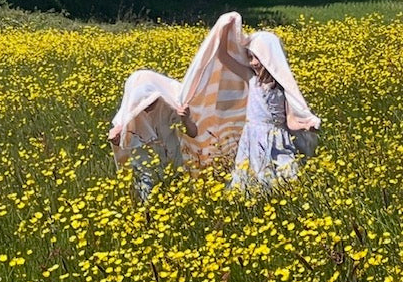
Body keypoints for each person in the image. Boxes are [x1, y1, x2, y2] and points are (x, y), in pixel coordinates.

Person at [217, 20, 320, 190]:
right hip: (253, 138)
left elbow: (290, 121)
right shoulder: (251, 78)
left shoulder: (283, 87)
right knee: (252, 178)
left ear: (269, 57)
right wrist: (223, 30)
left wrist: (307, 126)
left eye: (256, 57)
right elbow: (223, 57)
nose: (253, 63)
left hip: (278, 140)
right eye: (250, 57)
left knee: (287, 179)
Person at [108, 70, 197, 200]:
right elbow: (122, 146)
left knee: (179, 196)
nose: (148, 105)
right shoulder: (126, 117)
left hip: (173, 163)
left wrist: (186, 119)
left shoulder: (169, 106)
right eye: (142, 103)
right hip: (146, 169)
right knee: (148, 202)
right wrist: (116, 139)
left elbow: (193, 133)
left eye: (151, 101)